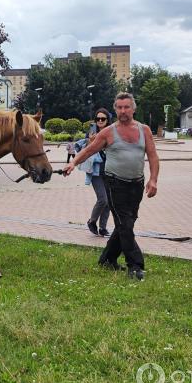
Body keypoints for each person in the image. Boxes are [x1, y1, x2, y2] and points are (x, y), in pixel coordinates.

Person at [63, 92, 160, 281]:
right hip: (114, 183)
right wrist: (73, 163)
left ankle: (107, 259)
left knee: (127, 222)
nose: (123, 111)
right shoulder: (108, 132)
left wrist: (153, 179)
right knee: (125, 224)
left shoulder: (144, 130)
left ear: (133, 108)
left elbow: (153, 156)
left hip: (137, 184)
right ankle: (135, 265)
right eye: (119, 107)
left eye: (127, 107)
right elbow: (89, 150)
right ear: (115, 109)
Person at [82, 108, 112, 237]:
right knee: (102, 199)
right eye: (98, 119)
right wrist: (91, 141)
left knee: (109, 202)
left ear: (107, 120)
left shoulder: (111, 132)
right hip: (96, 172)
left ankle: (103, 228)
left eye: (103, 119)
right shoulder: (91, 132)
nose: (100, 121)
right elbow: (86, 151)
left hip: (110, 171)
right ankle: (92, 221)